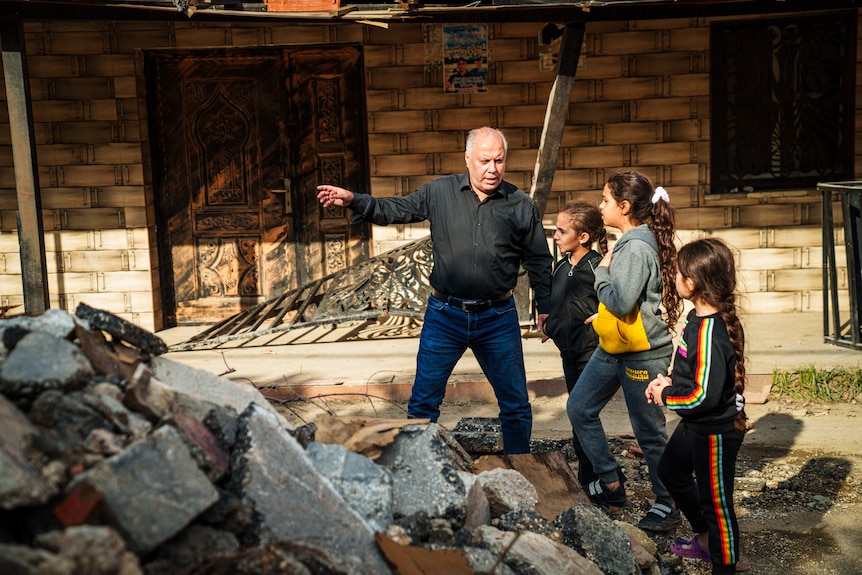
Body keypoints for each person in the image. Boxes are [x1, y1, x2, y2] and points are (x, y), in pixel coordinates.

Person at [316, 126, 553, 454]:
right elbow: (395, 210)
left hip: (497, 318)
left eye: (499, 160)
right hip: (445, 316)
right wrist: (354, 200)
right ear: (468, 159)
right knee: (424, 401)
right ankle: (417, 466)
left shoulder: (520, 204)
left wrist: (546, 306)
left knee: (514, 402)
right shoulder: (439, 192)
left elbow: (539, 260)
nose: (492, 168)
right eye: (485, 160)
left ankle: (521, 470)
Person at [566, 171, 683, 532]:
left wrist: (601, 273)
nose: (600, 207)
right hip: (615, 344)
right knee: (579, 407)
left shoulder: (633, 246)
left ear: (624, 206)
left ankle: (668, 503)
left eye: (605, 200)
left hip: (642, 353)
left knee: (648, 431)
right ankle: (611, 480)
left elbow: (620, 302)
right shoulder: (634, 240)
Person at [645, 238, 750, 575]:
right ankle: (705, 539)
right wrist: (668, 382)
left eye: (677, 272)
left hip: (714, 432)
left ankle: (725, 566)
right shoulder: (696, 319)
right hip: (696, 425)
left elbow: (701, 396)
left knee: (718, 507)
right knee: (671, 472)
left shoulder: (711, 330)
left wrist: (666, 396)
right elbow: (689, 371)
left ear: (691, 283)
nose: (672, 277)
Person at [541, 201, 607, 487]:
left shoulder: (598, 268)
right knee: (578, 417)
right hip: (567, 354)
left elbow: (612, 305)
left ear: (583, 237)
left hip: (591, 354)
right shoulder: (561, 267)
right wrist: (552, 325)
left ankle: (601, 482)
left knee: (583, 416)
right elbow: (558, 305)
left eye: (561, 230)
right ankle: (588, 482)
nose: (555, 236)